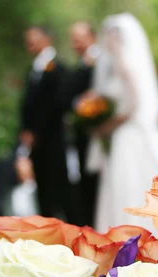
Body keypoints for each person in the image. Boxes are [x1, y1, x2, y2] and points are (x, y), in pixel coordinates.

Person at [90, 13, 158, 233]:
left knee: (129, 183)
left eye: (109, 36)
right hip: (122, 134)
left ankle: (132, 231)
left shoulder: (125, 65)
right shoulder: (117, 66)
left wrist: (110, 125)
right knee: (119, 185)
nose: (106, 41)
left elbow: (132, 105)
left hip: (127, 133)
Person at [19, 26, 76, 220]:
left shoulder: (57, 68)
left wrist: (37, 131)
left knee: (58, 186)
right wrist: (26, 131)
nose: (30, 43)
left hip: (52, 139)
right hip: (36, 142)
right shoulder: (33, 68)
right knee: (42, 186)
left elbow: (57, 105)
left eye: (34, 38)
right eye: (27, 39)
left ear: (46, 38)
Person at [65, 21, 100, 227]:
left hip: (94, 131)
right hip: (81, 130)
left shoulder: (98, 61)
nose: (76, 43)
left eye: (80, 38)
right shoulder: (81, 63)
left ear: (91, 37)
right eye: (73, 40)